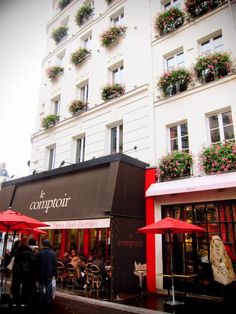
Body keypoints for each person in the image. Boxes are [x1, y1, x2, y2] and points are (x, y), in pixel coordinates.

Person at [11, 238, 33, 307]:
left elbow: (14, 259)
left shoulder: (17, 250)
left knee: (16, 287)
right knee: (25, 287)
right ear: (26, 243)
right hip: (26, 272)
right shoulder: (29, 251)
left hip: (17, 271)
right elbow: (31, 261)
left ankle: (15, 302)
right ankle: (24, 302)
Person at [37, 239, 57, 306]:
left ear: (43, 244)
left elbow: (38, 263)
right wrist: (54, 274)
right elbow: (55, 265)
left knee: (41, 287)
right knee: (48, 287)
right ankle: (47, 300)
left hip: (41, 273)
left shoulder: (40, 253)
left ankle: (40, 299)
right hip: (49, 273)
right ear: (49, 244)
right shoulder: (53, 253)